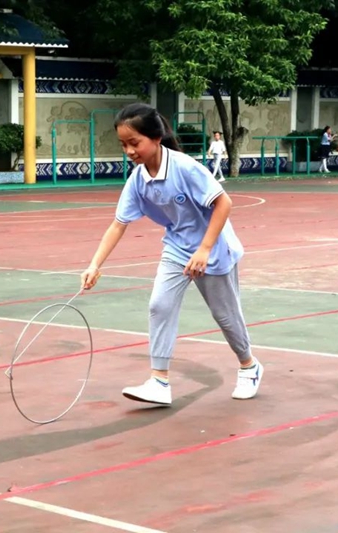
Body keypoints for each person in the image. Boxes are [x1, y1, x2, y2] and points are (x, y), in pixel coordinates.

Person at [80, 103, 263, 406]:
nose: (129, 151)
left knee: (225, 316)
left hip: (214, 248)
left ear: (156, 137)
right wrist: (94, 265)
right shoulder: (138, 179)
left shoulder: (185, 168)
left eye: (134, 142)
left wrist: (204, 249)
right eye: (123, 144)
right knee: (159, 305)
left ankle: (249, 366)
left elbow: (224, 203)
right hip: (177, 248)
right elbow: (118, 224)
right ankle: (159, 381)